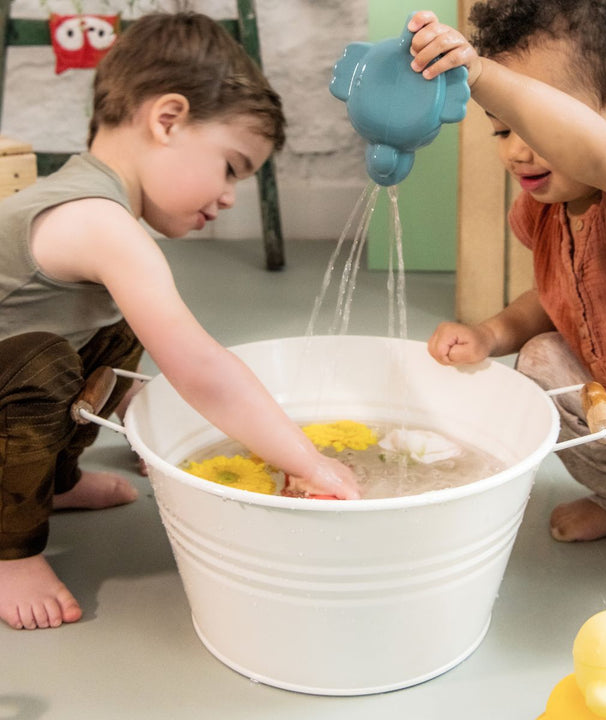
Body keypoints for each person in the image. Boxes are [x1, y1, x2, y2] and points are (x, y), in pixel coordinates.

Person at [0, 12, 360, 632]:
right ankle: (10, 550)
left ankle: (54, 480)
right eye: (230, 168)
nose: (227, 198)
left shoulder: (96, 205)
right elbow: (200, 367)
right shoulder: (100, 223)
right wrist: (307, 461)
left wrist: (151, 430)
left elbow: (126, 358)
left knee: (119, 327)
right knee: (43, 363)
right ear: (167, 120)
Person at [409, 1, 606, 631]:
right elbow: (556, 295)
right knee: (540, 358)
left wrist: (484, 73)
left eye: (538, 124)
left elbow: (601, 156)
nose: (520, 149)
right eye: (501, 129)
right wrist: (492, 331)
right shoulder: (546, 210)